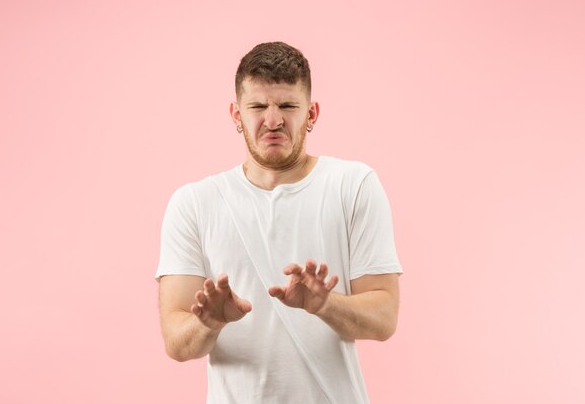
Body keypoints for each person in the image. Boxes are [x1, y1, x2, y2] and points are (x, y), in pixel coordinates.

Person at [156, 41, 403, 404]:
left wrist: (326, 304)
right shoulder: (194, 203)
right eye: (257, 106)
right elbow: (177, 342)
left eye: (288, 105)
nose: (273, 121)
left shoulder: (353, 185)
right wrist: (209, 322)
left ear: (312, 113)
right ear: (236, 115)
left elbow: (384, 318)